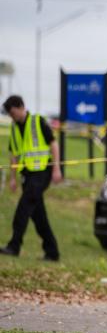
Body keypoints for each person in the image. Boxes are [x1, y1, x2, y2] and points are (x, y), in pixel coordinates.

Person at [2, 95, 62, 261]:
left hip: (42, 171)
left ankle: (14, 245)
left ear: (22, 107)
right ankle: (52, 252)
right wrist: (13, 178)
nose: (13, 117)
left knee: (24, 206)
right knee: (38, 215)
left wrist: (56, 168)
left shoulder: (37, 121)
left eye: (14, 113)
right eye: (10, 114)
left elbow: (53, 144)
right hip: (27, 175)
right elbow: (14, 154)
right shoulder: (14, 128)